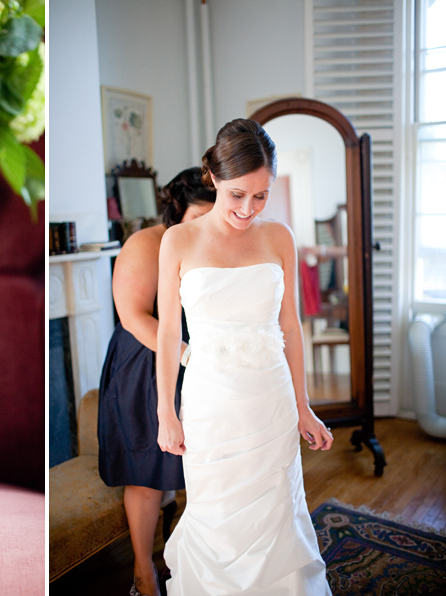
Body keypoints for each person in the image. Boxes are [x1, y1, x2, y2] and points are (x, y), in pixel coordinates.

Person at [156, 119, 333, 595]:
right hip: (211, 403)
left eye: (261, 195)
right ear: (211, 177)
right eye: (238, 194)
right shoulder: (178, 241)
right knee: (216, 514)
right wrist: (165, 412)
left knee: (277, 511)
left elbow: (290, 327)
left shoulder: (280, 238)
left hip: (270, 398)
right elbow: (169, 333)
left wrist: (303, 406)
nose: (248, 208)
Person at [98, 167, 216, 596]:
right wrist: (190, 357)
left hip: (203, 364)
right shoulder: (145, 244)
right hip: (147, 364)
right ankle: (143, 570)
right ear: (176, 211)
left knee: (200, 470)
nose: (208, 228)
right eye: (199, 218)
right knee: (149, 473)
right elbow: (133, 317)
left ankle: (190, 560)